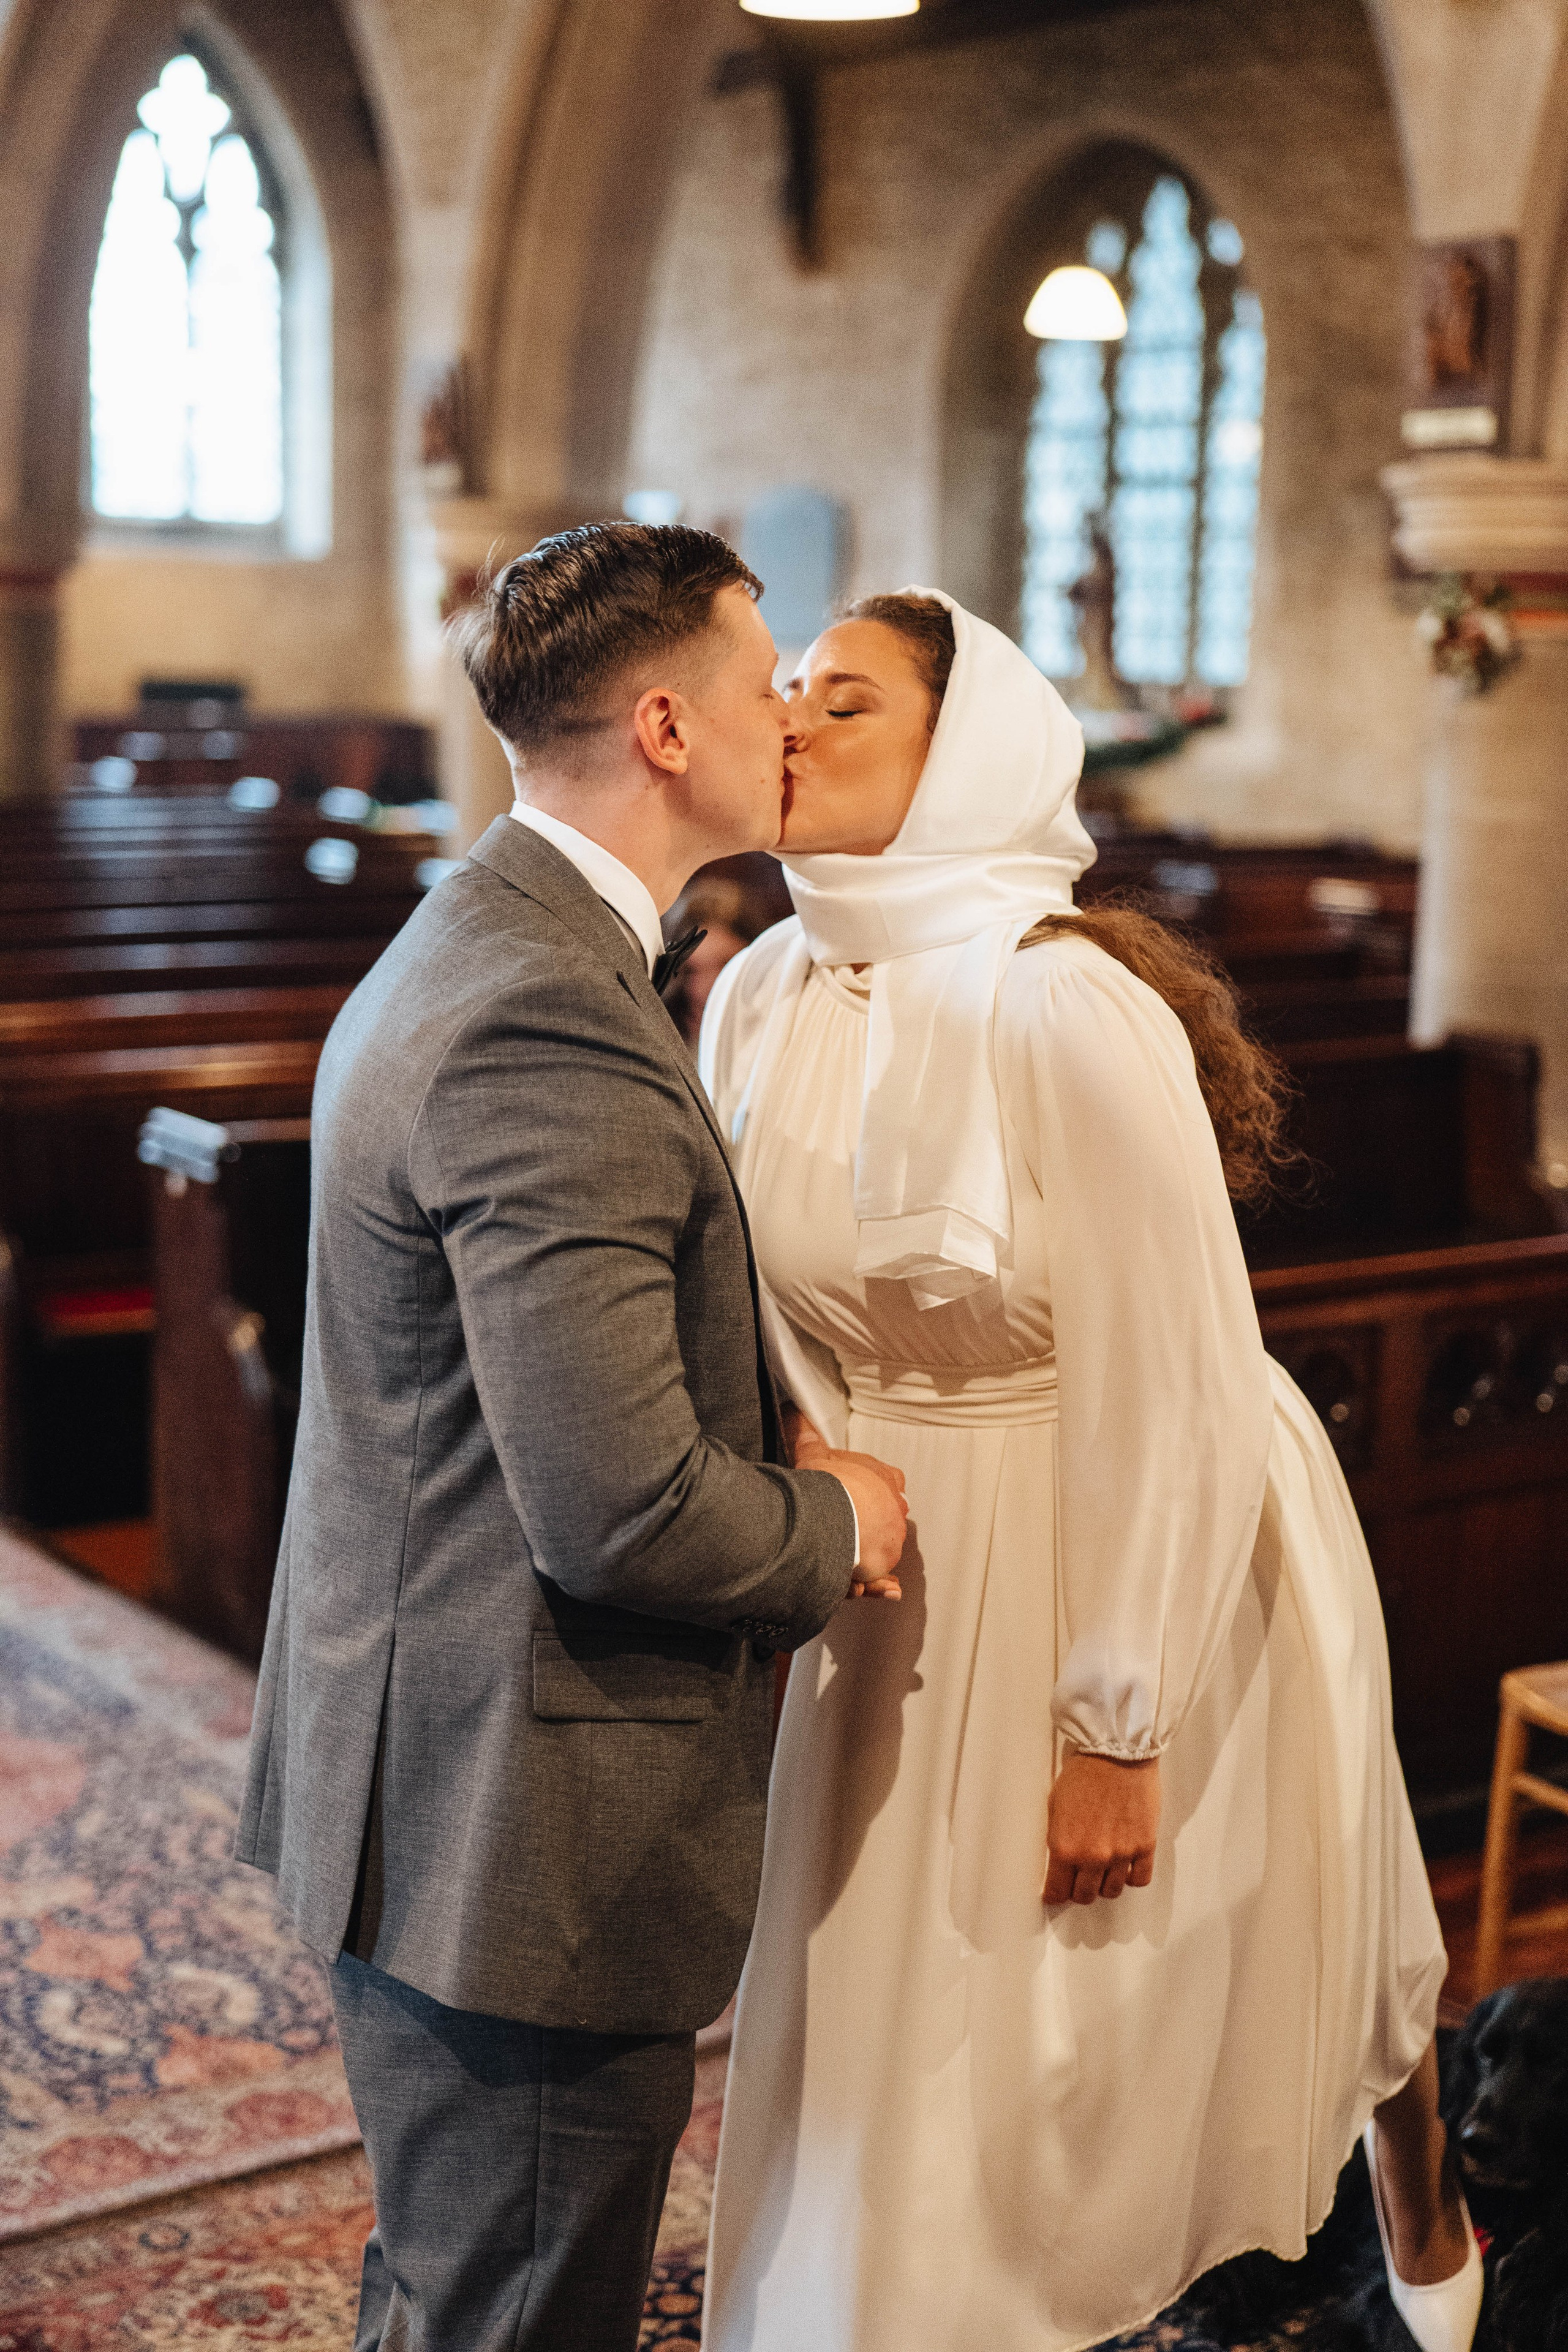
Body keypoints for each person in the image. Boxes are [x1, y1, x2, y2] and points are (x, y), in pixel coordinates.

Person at [699, 589, 1482, 2352]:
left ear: (964, 754)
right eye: (790, 695)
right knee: (875, 2013)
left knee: (1083, 2031)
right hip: (899, 1560)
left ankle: (1424, 2211)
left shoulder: (1064, 1009)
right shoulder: (759, 988)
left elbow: (1182, 1374)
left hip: (1118, 1530)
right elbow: (757, 1307)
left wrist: (1115, 1723)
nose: (794, 725)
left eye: (847, 705)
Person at [235, 523, 910, 2352]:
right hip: (512, 1822)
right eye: (770, 681)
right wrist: (836, 1516)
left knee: (459, 2283)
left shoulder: (495, 937)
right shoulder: (545, 1012)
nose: (794, 720)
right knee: (519, 2306)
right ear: (674, 726)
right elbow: (621, 1511)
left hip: (431, 1759)